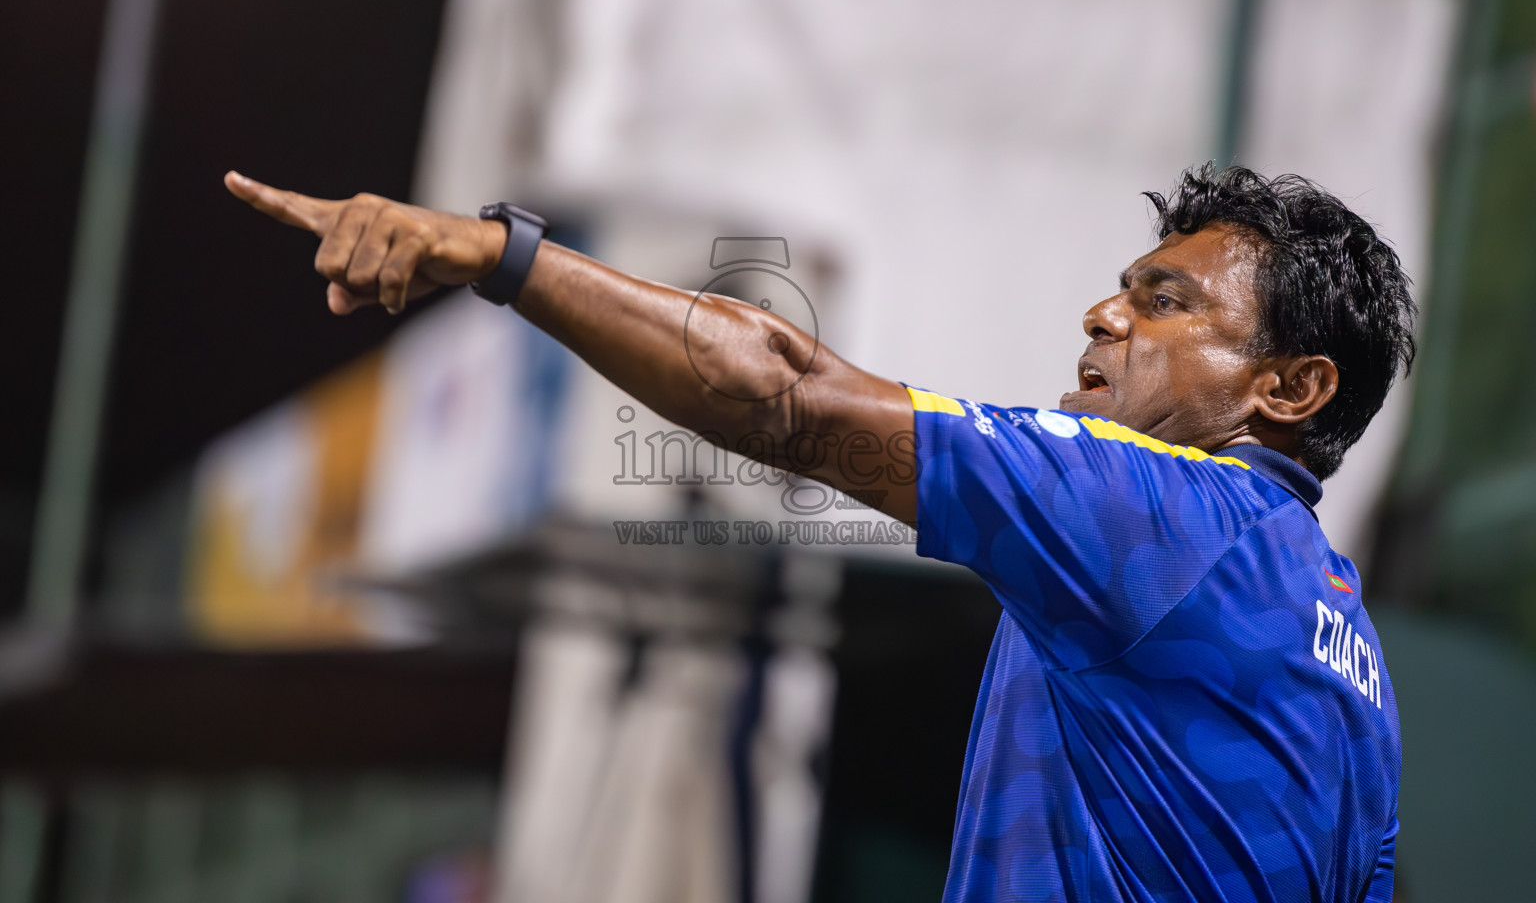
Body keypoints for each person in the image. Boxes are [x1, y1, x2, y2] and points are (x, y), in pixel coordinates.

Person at [225, 163, 1410, 903]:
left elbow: (784, 393)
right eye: (1124, 285)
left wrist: (501, 254)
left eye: (1167, 301)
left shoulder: (1150, 507)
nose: (1105, 311)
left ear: (1291, 390)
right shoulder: (1355, 661)